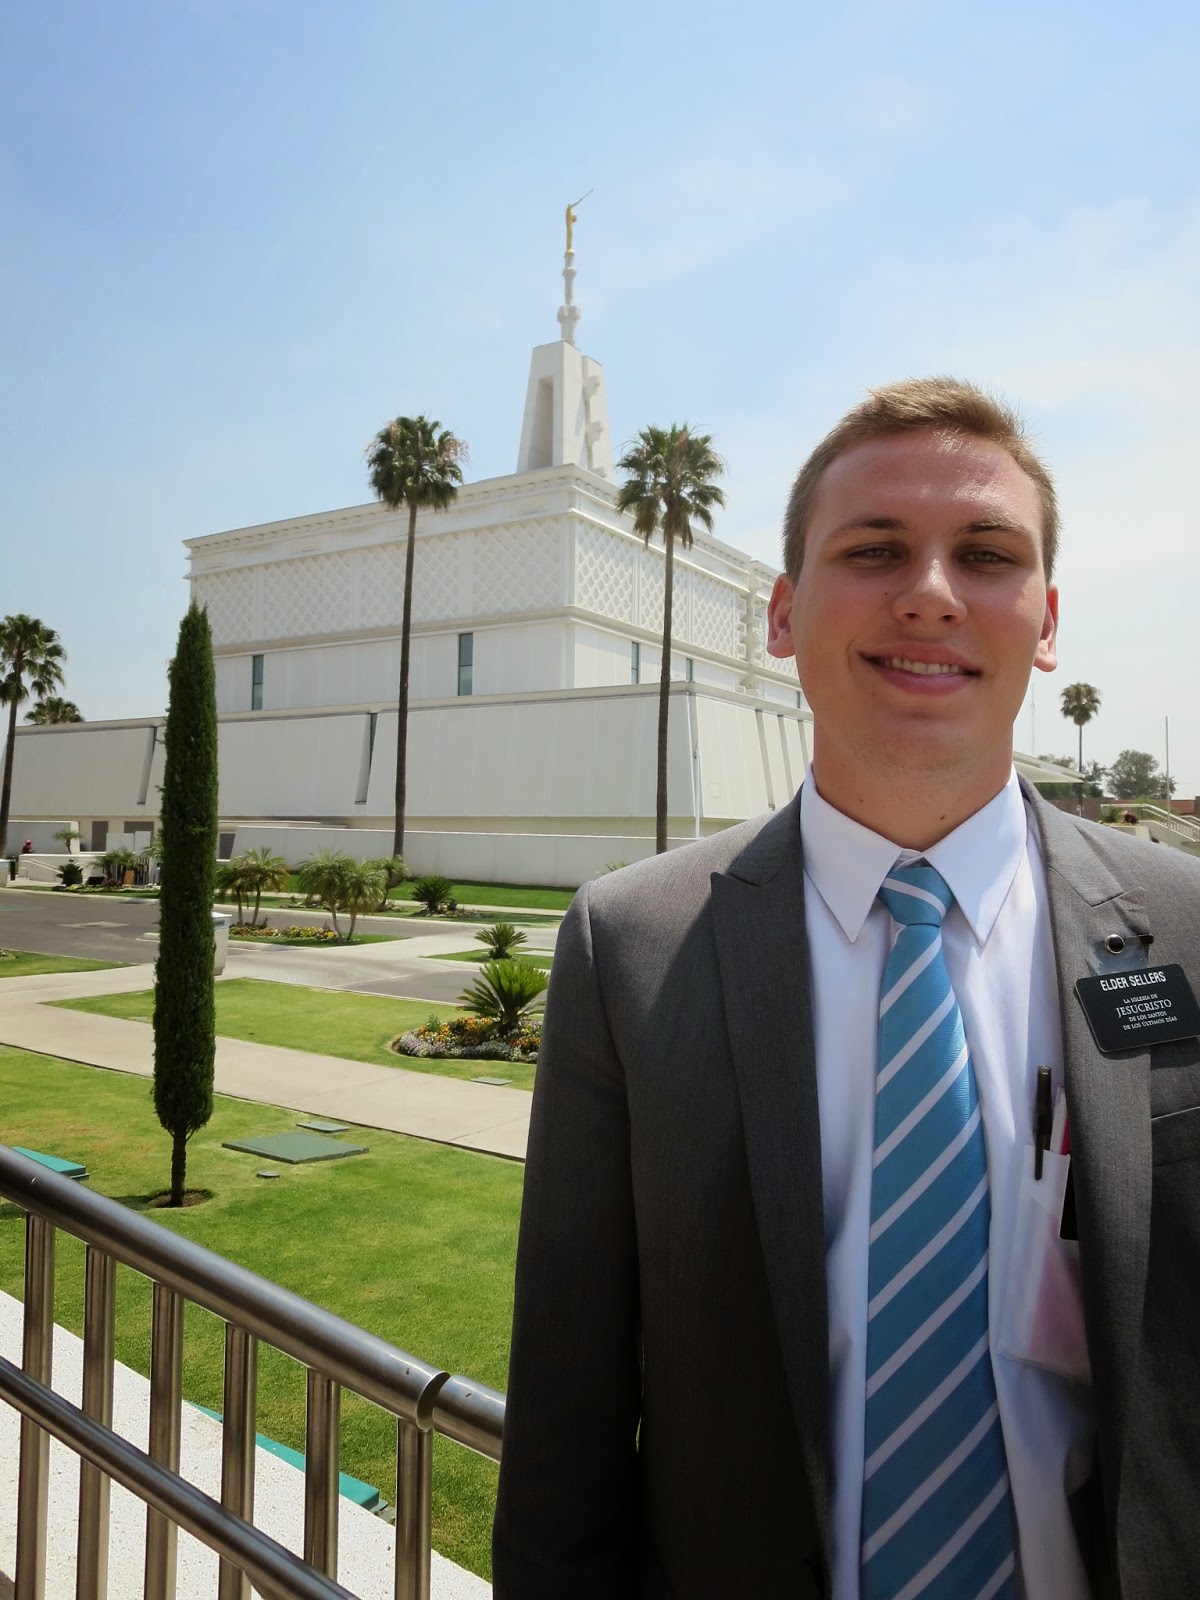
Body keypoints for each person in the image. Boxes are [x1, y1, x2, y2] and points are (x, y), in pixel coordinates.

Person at [493, 378, 1200, 1598]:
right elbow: (569, 1417)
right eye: (874, 549)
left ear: (1045, 622)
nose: (930, 590)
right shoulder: (632, 946)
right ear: (783, 612)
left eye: (986, 554)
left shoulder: (1184, 926)